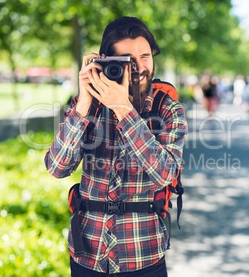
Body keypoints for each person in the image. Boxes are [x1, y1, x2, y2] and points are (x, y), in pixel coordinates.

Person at [44, 16, 188, 276]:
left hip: (143, 254)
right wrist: (85, 103)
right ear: (106, 61)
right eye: (128, 60)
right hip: (87, 252)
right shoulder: (87, 104)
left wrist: (123, 109)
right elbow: (57, 167)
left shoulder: (168, 110)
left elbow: (166, 174)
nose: (139, 67)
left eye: (145, 56)